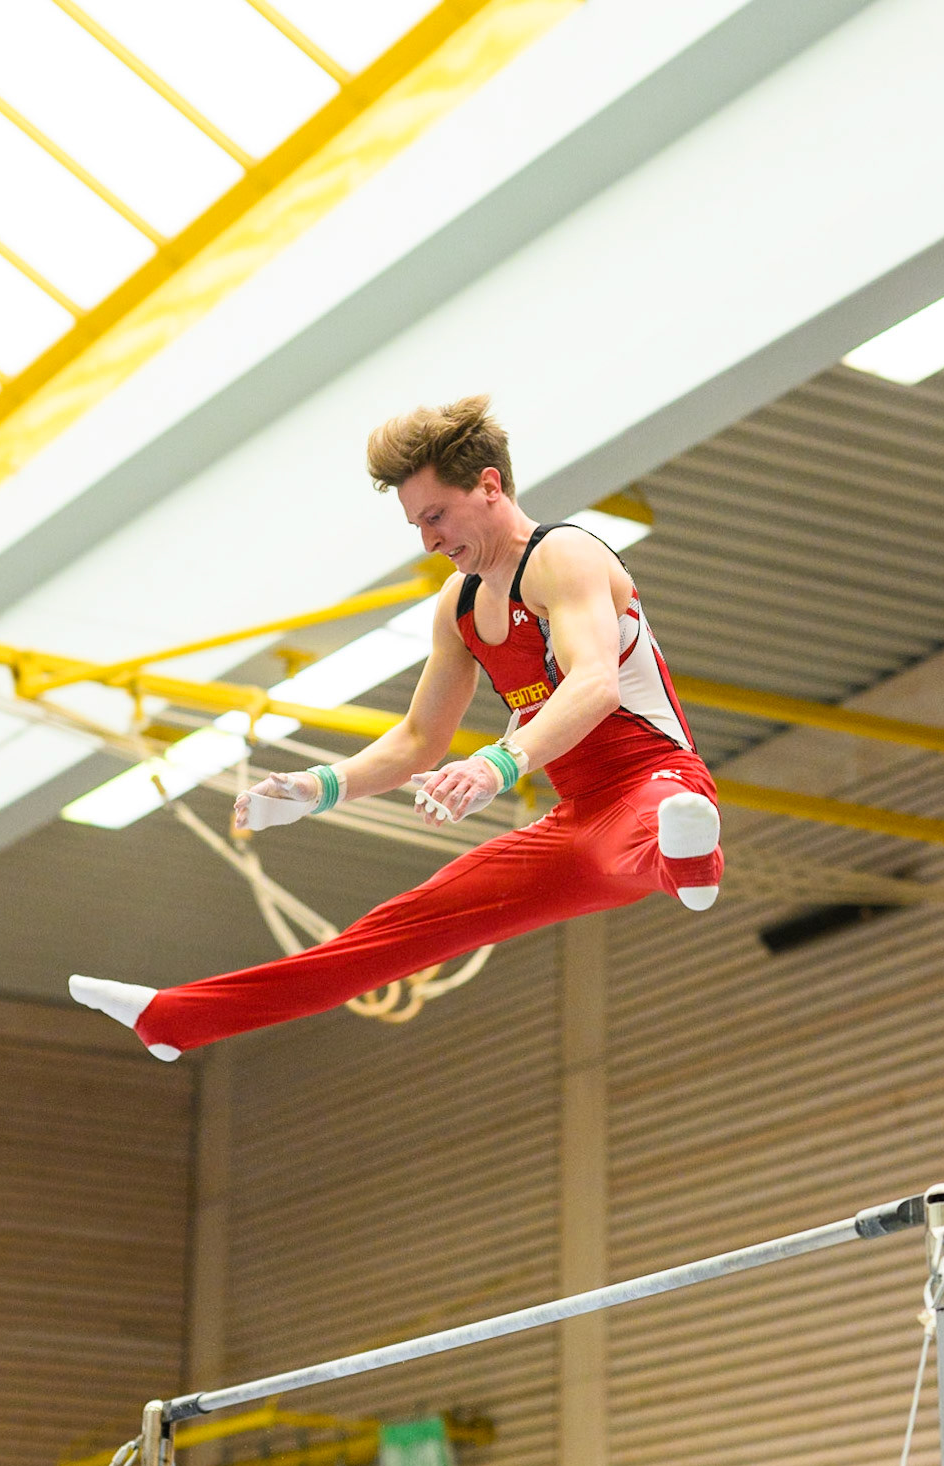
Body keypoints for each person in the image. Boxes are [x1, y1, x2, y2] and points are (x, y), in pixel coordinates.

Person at [70, 396, 723, 1058]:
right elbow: (417, 741)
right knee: (395, 932)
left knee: (660, 816)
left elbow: (594, 682)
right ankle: (174, 1020)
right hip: (576, 821)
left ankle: (689, 858)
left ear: (489, 486)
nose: (430, 540)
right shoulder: (458, 605)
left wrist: (496, 764)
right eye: (417, 524)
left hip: (652, 779)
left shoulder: (565, 555)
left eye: (436, 516)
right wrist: (318, 787)